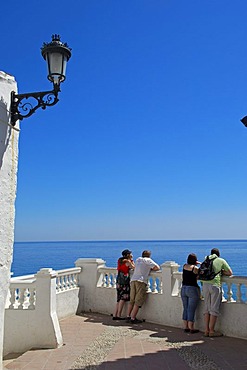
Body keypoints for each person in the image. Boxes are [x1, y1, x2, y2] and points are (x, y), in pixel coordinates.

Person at [200, 248, 232, 337]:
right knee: (214, 308)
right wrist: (221, 272)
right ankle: (211, 331)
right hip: (215, 285)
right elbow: (230, 272)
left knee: (206, 308)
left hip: (205, 285)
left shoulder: (206, 259)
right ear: (218, 254)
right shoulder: (220, 260)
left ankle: (206, 330)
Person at [127, 250, 160, 324]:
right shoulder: (148, 260)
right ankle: (133, 318)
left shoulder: (138, 259)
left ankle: (128, 316)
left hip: (133, 280)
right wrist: (150, 268)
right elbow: (157, 267)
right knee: (138, 300)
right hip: (141, 281)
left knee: (132, 299)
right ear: (149, 255)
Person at [113, 249, 135, 320]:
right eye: (131, 254)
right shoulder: (127, 261)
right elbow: (134, 267)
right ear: (128, 255)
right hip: (124, 280)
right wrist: (132, 261)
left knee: (119, 298)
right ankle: (119, 315)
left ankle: (115, 314)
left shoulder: (120, 260)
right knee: (123, 298)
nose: (132, 255)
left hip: (119, 279)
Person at [181, 253, 201, 333]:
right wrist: (200, 264)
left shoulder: (184, 266)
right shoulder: (195, 268)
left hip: (184, 288)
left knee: (185, 308)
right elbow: (199, 274)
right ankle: (191, 327)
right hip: (192, 288)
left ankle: (186, 327)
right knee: (191, 309)